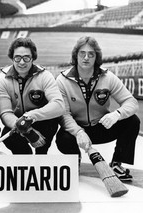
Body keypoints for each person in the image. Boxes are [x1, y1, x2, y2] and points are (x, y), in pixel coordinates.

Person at [55, 36, 140, 181]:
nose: (86, 57)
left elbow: (131, 102)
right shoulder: (62, 80)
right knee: (63, 139)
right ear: (76, 55)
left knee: (132, 121)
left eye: (91, 54)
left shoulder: (108, 77)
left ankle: (116, 164)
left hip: (102, 127)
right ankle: (75, 159)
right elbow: (64, 115)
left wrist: (117, 114)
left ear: (97, 57)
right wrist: (78, 132)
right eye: (82, 53)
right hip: (78, 131)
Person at [0, 37, 65, 154]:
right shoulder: (2, 79)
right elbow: (5, 113)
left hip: (40, 120)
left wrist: (30, 116)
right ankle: (25, 159)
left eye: (26, 58)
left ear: (33, 59)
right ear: (12, 58)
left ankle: (41, 155)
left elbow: (59, 105)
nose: (22, 62)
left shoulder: (45, 76)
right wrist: (24, 129)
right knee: (7, 135)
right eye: (17, 58)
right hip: (17, 123)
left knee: (51, 122)